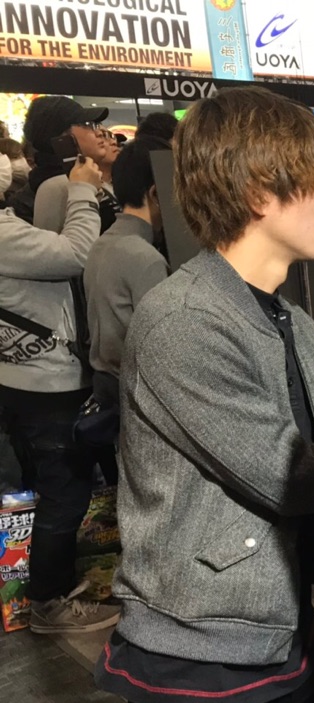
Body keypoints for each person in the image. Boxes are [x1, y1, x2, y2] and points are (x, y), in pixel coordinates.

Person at [94, 87, 314, 703]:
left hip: (276, 627)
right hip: (196, 656)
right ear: (259, 191)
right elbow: (290, 475)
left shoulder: (287, 319)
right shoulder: (183, 319)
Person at [0, 153, 118, 632]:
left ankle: (55, 586)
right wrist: (83, 190)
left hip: (23, 379)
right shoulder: (3, 236)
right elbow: (77, 253)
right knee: (64, 497)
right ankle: (48, 602)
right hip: (46, 385)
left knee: (57, 490)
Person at [83, 136, 171, 443]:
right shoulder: (145, 258)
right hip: (135, 397)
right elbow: (162, 348)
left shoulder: (102, 243)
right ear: (156, 192)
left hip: (105, 388)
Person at [10, 96, 109, 224]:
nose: (99, 133)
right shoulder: (47, 192)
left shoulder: (90, 177)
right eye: (87, 125)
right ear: (62, 137)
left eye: (96, 125)